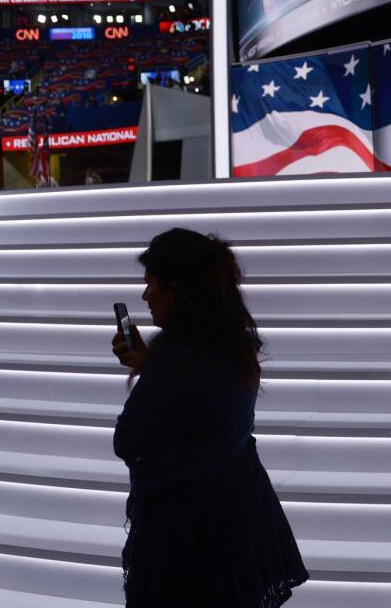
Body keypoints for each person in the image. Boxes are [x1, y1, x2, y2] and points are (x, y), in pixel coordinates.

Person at [111, 228, 308, 607]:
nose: (145, 296)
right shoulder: (230, 344)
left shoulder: (177, 358)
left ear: (177, 288)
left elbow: (129, 441)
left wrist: (153, 371)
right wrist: (151, 365)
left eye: (151, 284)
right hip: (237, 518)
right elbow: (200, 412)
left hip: (188, 535)